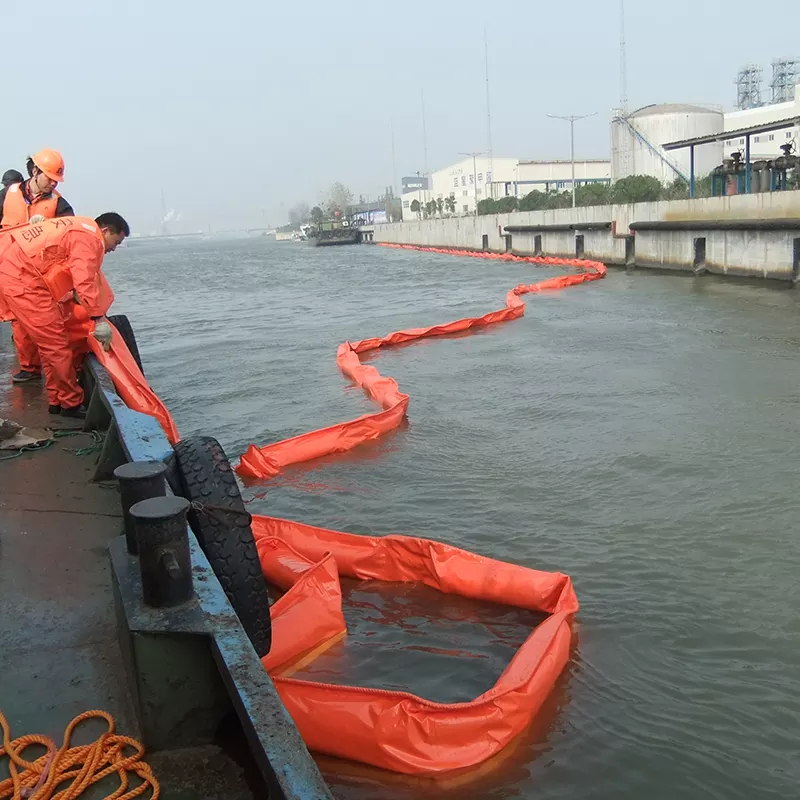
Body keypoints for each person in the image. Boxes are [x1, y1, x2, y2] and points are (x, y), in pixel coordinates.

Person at [0, 213, 129, 417]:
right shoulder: (89, 238)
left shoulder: (79, 225)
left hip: (21, 273)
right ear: (105, 231)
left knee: (50, 344)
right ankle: (70, 404)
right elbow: (84, 279)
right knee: (56, 345)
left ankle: (56, 400)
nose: (114, 248)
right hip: (24, 281)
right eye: (116, 242)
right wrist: (98, 318)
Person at [0, 150, 74, 383]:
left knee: (46, 322)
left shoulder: (58, 203)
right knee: (18, 321)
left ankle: (55, 372)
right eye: (50, 178)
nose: (53, 183)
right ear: (35, 172)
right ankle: (29, 368)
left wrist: (47, 227)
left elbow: (69, 233)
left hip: (40, 272)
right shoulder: (8, 194)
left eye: (56, 180)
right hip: (10, 268)